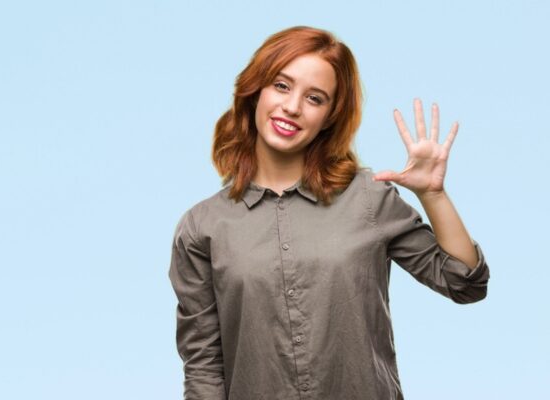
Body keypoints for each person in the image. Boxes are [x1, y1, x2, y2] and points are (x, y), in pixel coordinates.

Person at [168, 25, 490, 400]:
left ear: (330, 117)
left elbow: (465, 284)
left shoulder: (368, 198)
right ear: (254, 91)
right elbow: (204, 366)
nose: (292, 107)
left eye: (315, 98)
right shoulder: (202, 228)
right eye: (281, 86)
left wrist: (433, 194)